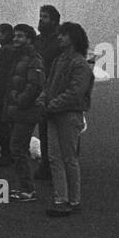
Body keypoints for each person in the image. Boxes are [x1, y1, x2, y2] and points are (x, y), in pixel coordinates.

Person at [42, 21, 94, 217]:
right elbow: (49, 85)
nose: (59, 38)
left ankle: (73, 200)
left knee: (69, 158)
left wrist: (50, 105)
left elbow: (75, 93)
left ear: (74, 38)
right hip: (55, 113)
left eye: (64, 35)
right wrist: (44, 100)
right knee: (55, 157)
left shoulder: (80, 64)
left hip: (69, 114)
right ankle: (61, 199)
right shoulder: (60, 60)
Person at [4, 24, 46, 202]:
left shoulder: (34, 59)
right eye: (15, 36)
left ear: (29, 39)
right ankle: (24, 187)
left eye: (20, 36)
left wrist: (19, 101)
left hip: (26, 110)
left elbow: (35, 85)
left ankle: (28, 190)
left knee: (18, 148)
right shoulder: (19, 57)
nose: (15, 39)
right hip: (17, 109)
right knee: (17, 148)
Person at [34, 5, 62, 180]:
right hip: (41, 90)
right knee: (43, 129)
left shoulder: (61, 41)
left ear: (53, 20)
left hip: (57, 90)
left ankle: (58, 168)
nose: (40, 20)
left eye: (44, 17)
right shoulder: (38, 40)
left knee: (58, 131)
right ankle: (46, 165)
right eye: (40, 16)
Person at [0, 23, 17, 165]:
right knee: (3, 124)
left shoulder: (6, 50)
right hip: (2, 94)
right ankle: (8, 153)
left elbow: (2, 75)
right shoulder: (7, 49)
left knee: (1, 124)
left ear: (6, 34)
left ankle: (7, 154)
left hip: (1, 95)